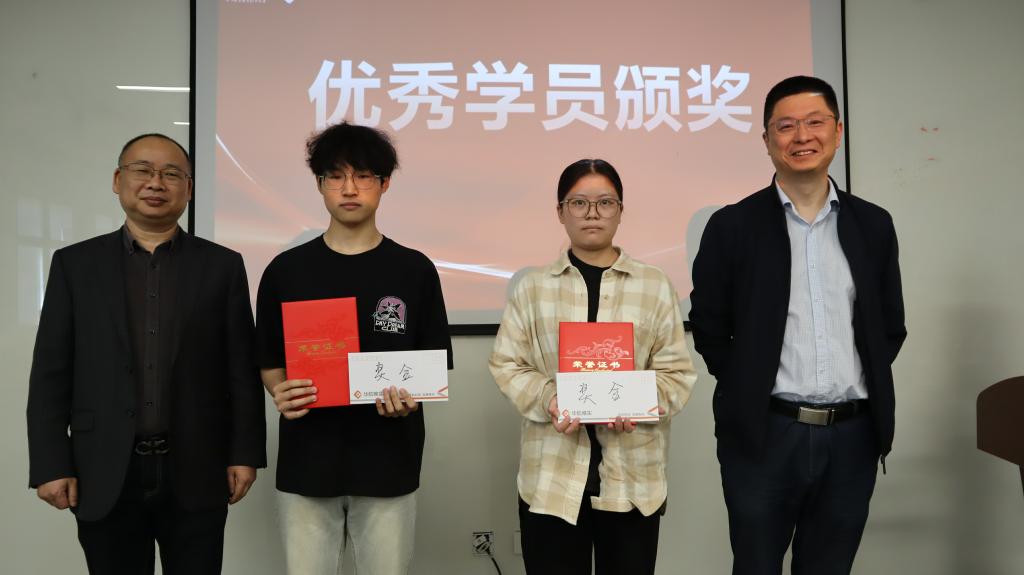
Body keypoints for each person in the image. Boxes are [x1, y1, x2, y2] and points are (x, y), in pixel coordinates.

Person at [688, 76, 907, 575]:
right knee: (756, 566)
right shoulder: (732, 226)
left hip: (852, 436)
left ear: (838, 131)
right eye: (786, 126)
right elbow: (710, 328)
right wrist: (750, 384)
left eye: (815, 122)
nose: (802, 136)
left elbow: (889, 327)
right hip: (765, 434)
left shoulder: (873, 225)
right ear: (767, 139)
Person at [26, 133, 267, 574]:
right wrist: (49, 463)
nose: (156, 182)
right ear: (118, 180)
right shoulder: (74, 265)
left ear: (189, 189)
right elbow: (50, 372)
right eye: (143, 170)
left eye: (171, 174)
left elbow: (241, 370)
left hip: (197, 466)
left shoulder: (222, 266)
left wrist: (245, 453)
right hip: (103, 468)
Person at [255, 121, 453, 575]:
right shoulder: (286, 270)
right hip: (308, 459)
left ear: (384, 184)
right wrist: (280, 390)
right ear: (319, 184)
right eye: (335, 176)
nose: (349, 188)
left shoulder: (414, 270)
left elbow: (432, 361)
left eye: (363, 175)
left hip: (389, 460)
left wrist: (412, 397)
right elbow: (268, 358)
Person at [490, 159, 697, 575]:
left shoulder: (654, 285)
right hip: (551, 478)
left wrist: (636, 402)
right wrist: (550, 398)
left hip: (632, 479)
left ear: (620, 211)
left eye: (605, 203)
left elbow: (676, 375)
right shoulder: (532, 287)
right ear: (560, 212)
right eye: (579, 203)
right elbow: (508, 364)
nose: (592, 213)